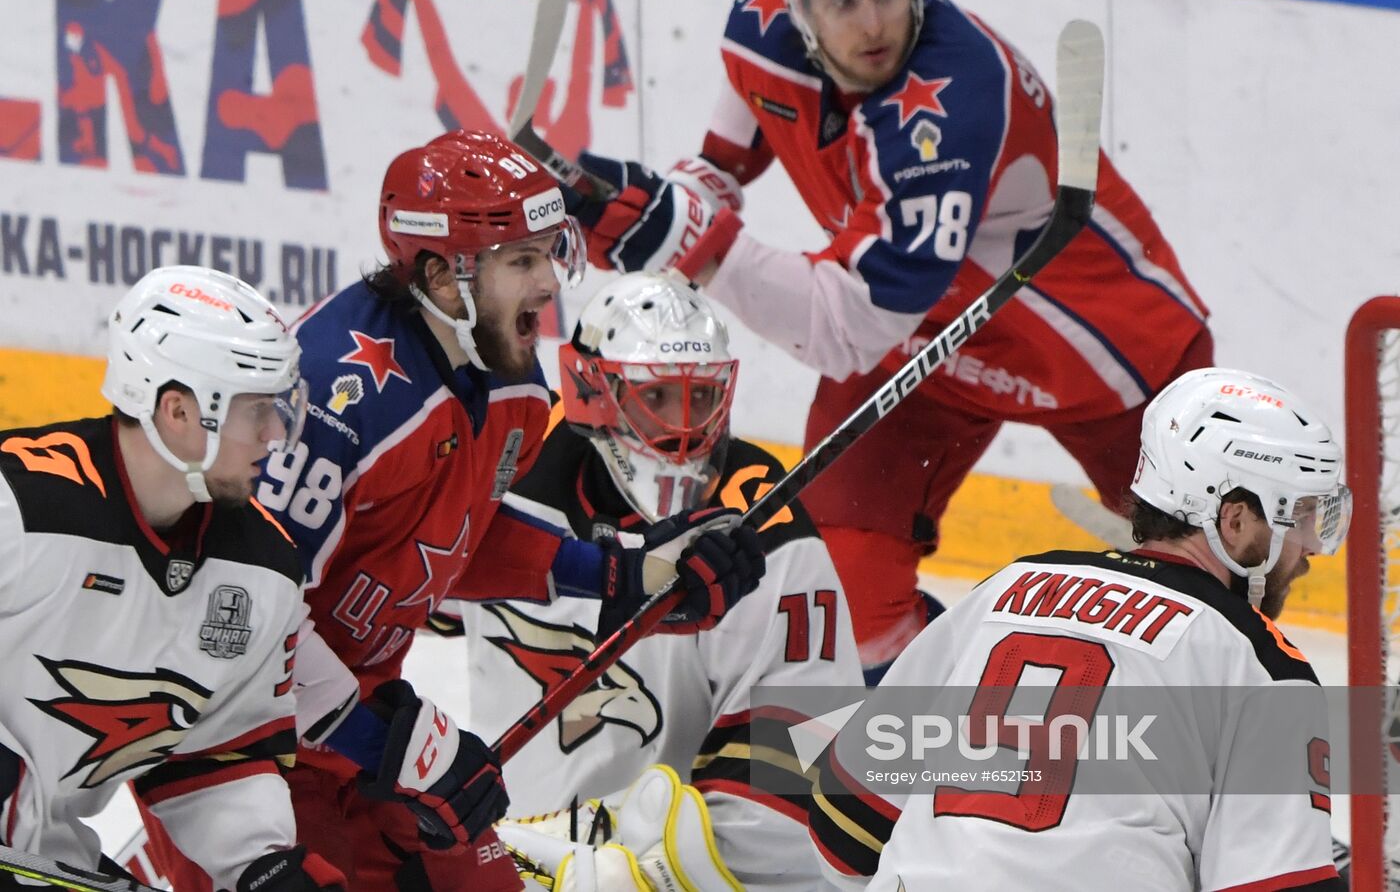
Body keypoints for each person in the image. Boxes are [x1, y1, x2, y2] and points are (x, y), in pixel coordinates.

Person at [136, 129, 768, 891]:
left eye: (548, 252)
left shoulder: (510, 381)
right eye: (522, 261)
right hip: (241, 750)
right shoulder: (335, 405)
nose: (548, 285)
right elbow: (237, 613)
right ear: (442, 274)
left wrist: (621, 572)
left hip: (358, 728)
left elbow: (453, 532)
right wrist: (380, 742)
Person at [565, 0, 1213, 682]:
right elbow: (719, 170)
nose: (874, 24)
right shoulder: (758, 31)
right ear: (795, 8)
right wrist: (637, 212)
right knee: (845, 592)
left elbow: (845, 327)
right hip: (923, 347)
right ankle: (928, 751)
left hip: (1105, 353)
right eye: (843, 2)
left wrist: (678, 237)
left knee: (1217, 594)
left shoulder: (951, 100)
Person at [807, 367, 1349, 890]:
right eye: (1299, 517)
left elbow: (843, 826)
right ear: (1233, 520)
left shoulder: (1005, 591)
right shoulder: (1262, 664)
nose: (1309, 551)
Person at [426, 270, 861, 890]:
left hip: (665, 872)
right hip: (507, 854)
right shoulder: (504, 471)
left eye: (702, 397)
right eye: (656, 397)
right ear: (591, 392)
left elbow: (793, 782)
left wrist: (629, 873)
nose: (684, 428)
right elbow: (393, 602)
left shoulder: (765, 534)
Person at [0, 265, 345, 891]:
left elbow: (217, 752)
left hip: (45, 863)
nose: (274, 437)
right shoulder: (16, 506)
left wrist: (261, 866)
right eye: (258, 411)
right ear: (179, 410)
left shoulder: (262, 570)